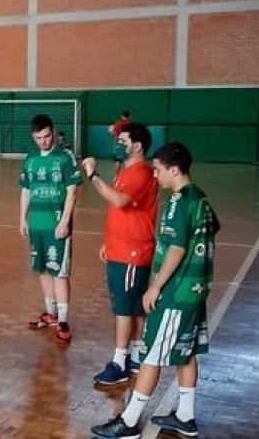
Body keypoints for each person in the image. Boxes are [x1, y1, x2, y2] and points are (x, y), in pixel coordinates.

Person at [91, 142, 220, 438]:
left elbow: (176, 248)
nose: (155, 176)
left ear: (174, 170)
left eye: (159, 170)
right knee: (185, 353)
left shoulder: (178, 202)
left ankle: (129, 421)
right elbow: (213, 228)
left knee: (150, 355)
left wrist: (155, 287)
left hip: (175, 293)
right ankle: (185, 416)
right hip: (195, 290)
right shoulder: (200, 197)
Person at [82, 123, 158, 384]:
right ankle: (136, 356)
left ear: (137, 146)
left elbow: (119, 201)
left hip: (132, 253)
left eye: (123, 140)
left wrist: (93, 175)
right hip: (120, 248)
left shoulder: (141, 172)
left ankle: (119, 362)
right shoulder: (126, 170)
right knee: (133, 306)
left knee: (125, 308)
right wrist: (108, 241)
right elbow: (119, 211)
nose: (118, 144)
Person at [19, 114, 81, 343]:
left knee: (60, 273)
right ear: (33, 137)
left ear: (53, 132)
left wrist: (65, 221)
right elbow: (26, 189)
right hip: (36, 225)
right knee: (42, 270)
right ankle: (50, 313)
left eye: (46, 136)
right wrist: (22, 219)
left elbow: (72, 191)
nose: (43, 141)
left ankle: (63, 321)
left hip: (56, 227)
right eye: (38, 138)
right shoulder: (31, 158)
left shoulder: (65, 157)